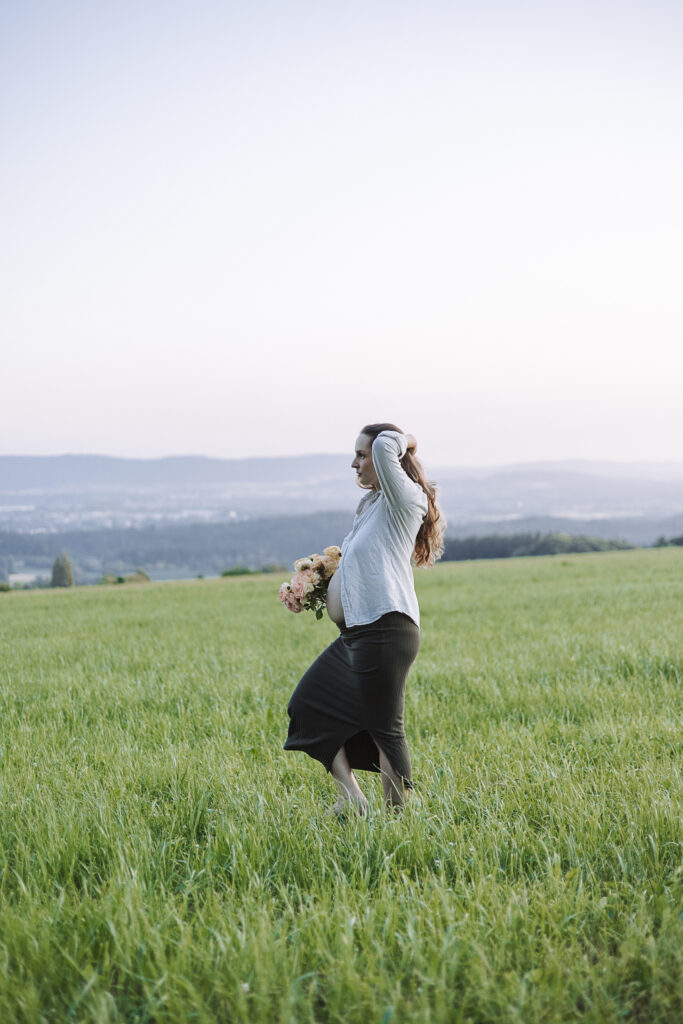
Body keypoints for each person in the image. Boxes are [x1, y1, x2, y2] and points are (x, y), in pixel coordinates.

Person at [284, 423, 445, 815]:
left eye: (362, 455)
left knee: (385, 727)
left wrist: (405, 440)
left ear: (384, 461)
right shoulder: (373, 506)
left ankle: (395, 819)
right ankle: (354, 799)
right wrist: (320, 579)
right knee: (307, 704)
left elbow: (391, 441)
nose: (353, 463)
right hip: (357, 634)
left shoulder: (403, 498)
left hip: (387, 630)